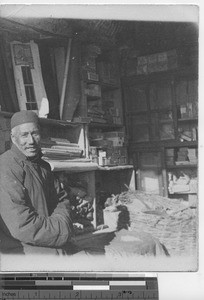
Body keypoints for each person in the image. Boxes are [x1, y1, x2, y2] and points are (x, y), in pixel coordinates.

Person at [0, 110, 73, 255]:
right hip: (20, 247)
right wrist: (63, 229)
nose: (31, 141)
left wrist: (61, 224)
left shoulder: (43, 166)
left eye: (35, 133)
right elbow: (22, 225)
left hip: (49, 238)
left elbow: (61, 200)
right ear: (13, 137)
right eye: (24, 135)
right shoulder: (6, 166)